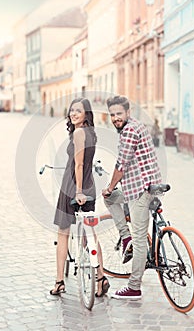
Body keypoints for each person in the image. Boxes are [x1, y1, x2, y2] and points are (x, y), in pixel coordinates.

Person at [102, 95, 161, 300]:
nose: (116, 118)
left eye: (119, 113)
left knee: (138, 237)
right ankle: (125, 237)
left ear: (128, 112)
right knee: (111, 199)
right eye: (112, 115)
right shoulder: (137, 125)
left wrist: (109, 186)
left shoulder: (128, 131)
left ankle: (134, 287)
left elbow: (121, 165)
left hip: (140, 189)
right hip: (149, 184)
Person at [50, 97, 110, 297]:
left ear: (86, 113)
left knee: (63, 232)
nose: (74, 114)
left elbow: (78, 164)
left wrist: (77, 191)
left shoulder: (78, 133)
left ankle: (59, 281)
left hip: (73, 188)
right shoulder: (92, 132)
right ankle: (101, 277)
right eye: (72, 110)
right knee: (90, 233)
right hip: (90, 186)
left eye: (78, 110)